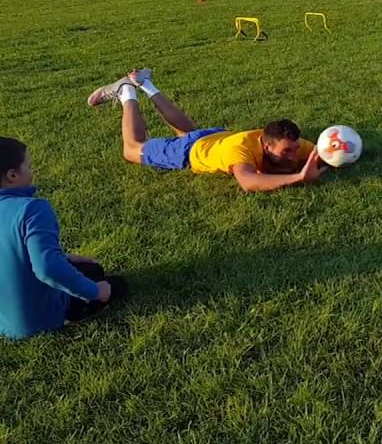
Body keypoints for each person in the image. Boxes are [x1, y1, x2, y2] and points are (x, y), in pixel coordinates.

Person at [87, 69, 326, 193]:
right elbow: (248, 181)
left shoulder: (292, 142)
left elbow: (324, 150)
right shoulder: (241, 152)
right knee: (132, 149)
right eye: (286, 152)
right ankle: (126, 90)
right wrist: (298, 177)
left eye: (295, 149)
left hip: (215, 138)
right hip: (191, 151)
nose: (294, 155)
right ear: (266, 145)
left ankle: (146, 83)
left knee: (188, 132)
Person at [0, 137, 126, 339]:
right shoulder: (31, 209)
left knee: (83, 268)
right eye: (29, 165)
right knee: (107, 280)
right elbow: (48, 269)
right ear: (13, 175)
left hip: (3, 320)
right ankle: (73, 309)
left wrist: (64, 257)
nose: (32, 171)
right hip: (36, 321)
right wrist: (96, 292)